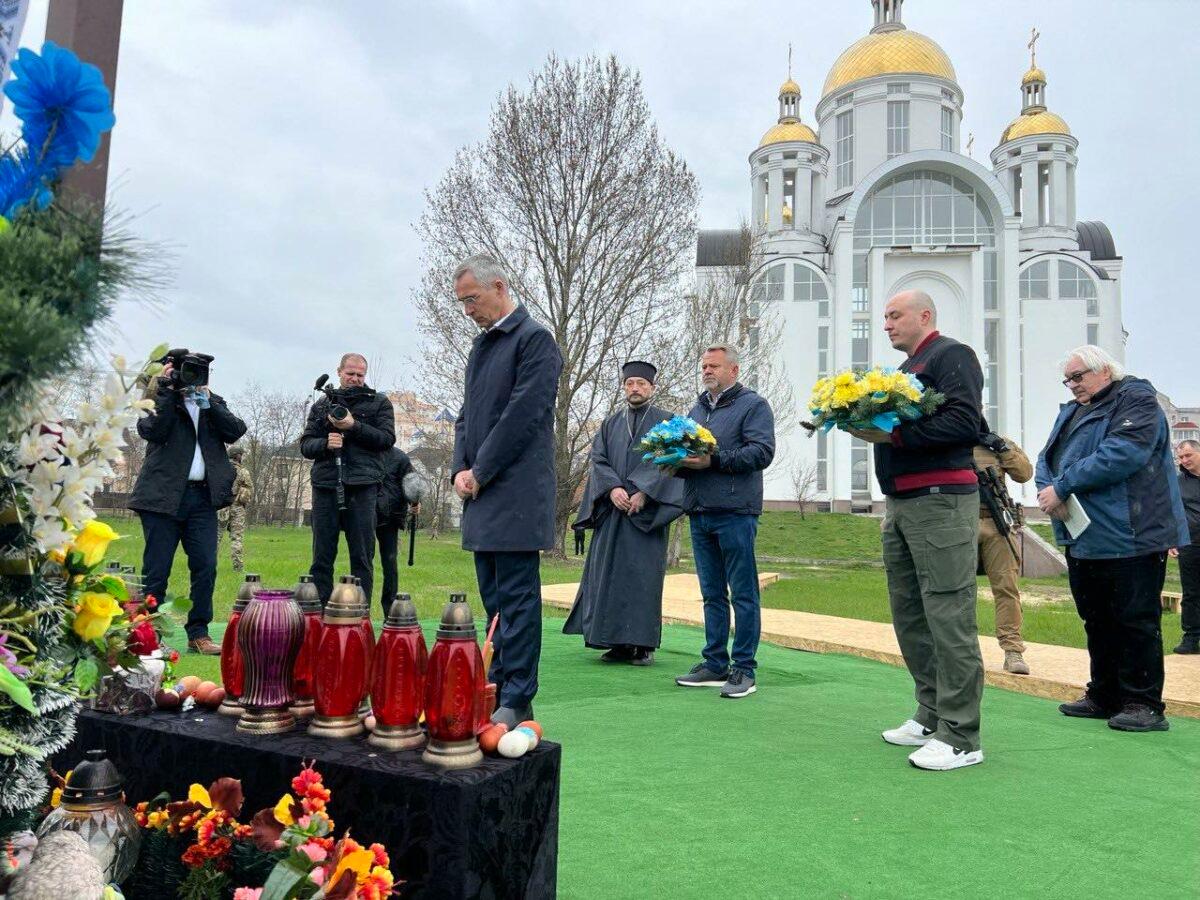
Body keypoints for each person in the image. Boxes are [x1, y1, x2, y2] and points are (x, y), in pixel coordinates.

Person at [850, 290, 986, 771]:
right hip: (903, 503)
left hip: (942, 501)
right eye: (884, 316)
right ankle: (930, 713)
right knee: (910, 613)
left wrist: (895, 435)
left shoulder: (952, 355)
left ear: (924, 316)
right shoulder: (905, 371)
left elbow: (966, 422)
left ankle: (962, 736)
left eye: (894, 315)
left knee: (948, 614)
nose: (885, 324)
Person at [1036, 345, 1188, 732]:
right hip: (1084, 533)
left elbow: (1123, 453)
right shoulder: (1072, 411)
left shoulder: (1136, 400)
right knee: (1097, 618)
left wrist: (1063, 485)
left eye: (1077, 377)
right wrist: (1047, 489)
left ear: (1104, 371)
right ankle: (1104, 694)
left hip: (1132, 531)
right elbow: (1047, 458)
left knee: (1135, 619)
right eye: (1067, 380)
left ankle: (1143, 702)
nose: (1071, 386)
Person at [452, 253, 562, 729]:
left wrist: (482, 470)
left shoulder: (535, 341)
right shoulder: (481, 348)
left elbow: (523, 415)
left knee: (517, 601)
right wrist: (459, 468)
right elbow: (466, 416)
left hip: (514, 494)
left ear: (499, 287)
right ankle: (494, 684)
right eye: (461, 303)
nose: (467, 310)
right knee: (494, 601)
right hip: (480, 493)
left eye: (471, 299)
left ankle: (518, 696)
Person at [564, 361, 684, 665]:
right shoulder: (610, 423)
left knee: (642, 578)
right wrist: (613, 489)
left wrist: (644, 491)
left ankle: (642, 645)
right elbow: (599, 461)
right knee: (610, 577)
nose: (635, 389)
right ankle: (615, 642)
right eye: (630, 383)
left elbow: (669, 460)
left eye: (641, 384)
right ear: (624, 387)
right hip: (614, 512)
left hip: (646, 515)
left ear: (652, 388)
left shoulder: (667, 422)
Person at [673, 344, 775, 699]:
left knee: (743, 594)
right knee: (711, 593)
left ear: (734, 370)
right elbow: (688, 452)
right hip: (699, 510)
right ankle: (715, 663)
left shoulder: (753, 406)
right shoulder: (697, 409)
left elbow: (762, 452)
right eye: (703, 366)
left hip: (735, 512)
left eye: (714, 366)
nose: (707, 371)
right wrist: (672, 460)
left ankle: (743, 668)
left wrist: (713, 461)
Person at [129, 353, 247, 655]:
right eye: (189, 371)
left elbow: (235, 430)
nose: (194, 376)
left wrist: (208, 403)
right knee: (156, 570)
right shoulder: (159, 400)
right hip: (163, 498)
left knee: (206, 566)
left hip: (201, 499)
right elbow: (153, 431)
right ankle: (150, 635)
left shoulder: (212, 402)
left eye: (201, 372)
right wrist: (167, 391)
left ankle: (198, 632)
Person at [300, 353, 395, 606]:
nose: (355, 379)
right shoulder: (321, 405)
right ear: (339, 372)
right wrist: (324, 444)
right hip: (326, 486)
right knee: (321, 556)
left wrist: (354, 426)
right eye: (350, 373)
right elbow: (305, 445)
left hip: (363, 487)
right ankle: (319, 617)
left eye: (360, 375)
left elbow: (387, 440)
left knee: (362, 556)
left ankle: (358, 617)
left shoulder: (379, 403)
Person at [974, 430, 1033, 674]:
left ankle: (1013, 651)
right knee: (956, 589)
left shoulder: (997, 443)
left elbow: (1024, 474)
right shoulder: (947, 438)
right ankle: (960, 650)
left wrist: (1002, 448)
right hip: (958, 523)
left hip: (996, 523)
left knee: (1007, 588)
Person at [375, 445, 416, 614]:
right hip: (364, 513)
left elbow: (410, 483)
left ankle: (390, 609)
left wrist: (414, 500)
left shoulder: (400, 458)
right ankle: (358, 606)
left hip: (390, 517)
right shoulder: (364, 452)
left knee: (389, 563)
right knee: (363, 560)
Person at [1173, 440, 1200, 654]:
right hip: (1190, 544)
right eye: (1181, 457)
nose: (1184, 460)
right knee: (1191, 593)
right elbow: (1170, 513)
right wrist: (1171, 540)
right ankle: (1191, 638)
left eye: (1188, 455)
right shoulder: (1177, 482)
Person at [218, 444, 252, 572]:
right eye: (241, 455)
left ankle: (209, 566)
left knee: (216, 537)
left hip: (221, 508)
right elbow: (248, 492)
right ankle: (238, 568)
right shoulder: (243, 472)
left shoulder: (221, 469)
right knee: (237, 538)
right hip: (237, 508)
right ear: (238, 456)